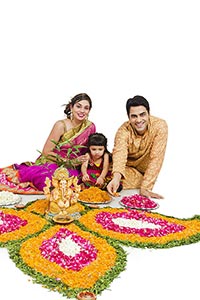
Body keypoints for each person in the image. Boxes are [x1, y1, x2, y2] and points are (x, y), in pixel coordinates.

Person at [0, 93, 96, 194]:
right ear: (71, 107)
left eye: (86, 108)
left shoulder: (90, 127)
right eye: (78, 106)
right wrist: (69, 162)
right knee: (48, 179)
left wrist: (86, 160)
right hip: (55, 162)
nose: (82, 111)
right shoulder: (61, 125)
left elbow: (90, 150)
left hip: (78, 166)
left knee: (91, 177)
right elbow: (46, 152)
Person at [107, 95, 168, 199]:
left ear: (149, 113)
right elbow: (119, 154)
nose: (139, 120)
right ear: (128, 117)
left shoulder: (160, 126)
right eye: (134, 116)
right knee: (104, 176)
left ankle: (141, 181)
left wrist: (146, 188)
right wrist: (116, 177)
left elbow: (156, 157)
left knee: (141, 181)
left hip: (145, 171)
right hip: (126, 169)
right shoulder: (123, 131)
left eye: (142, 114)